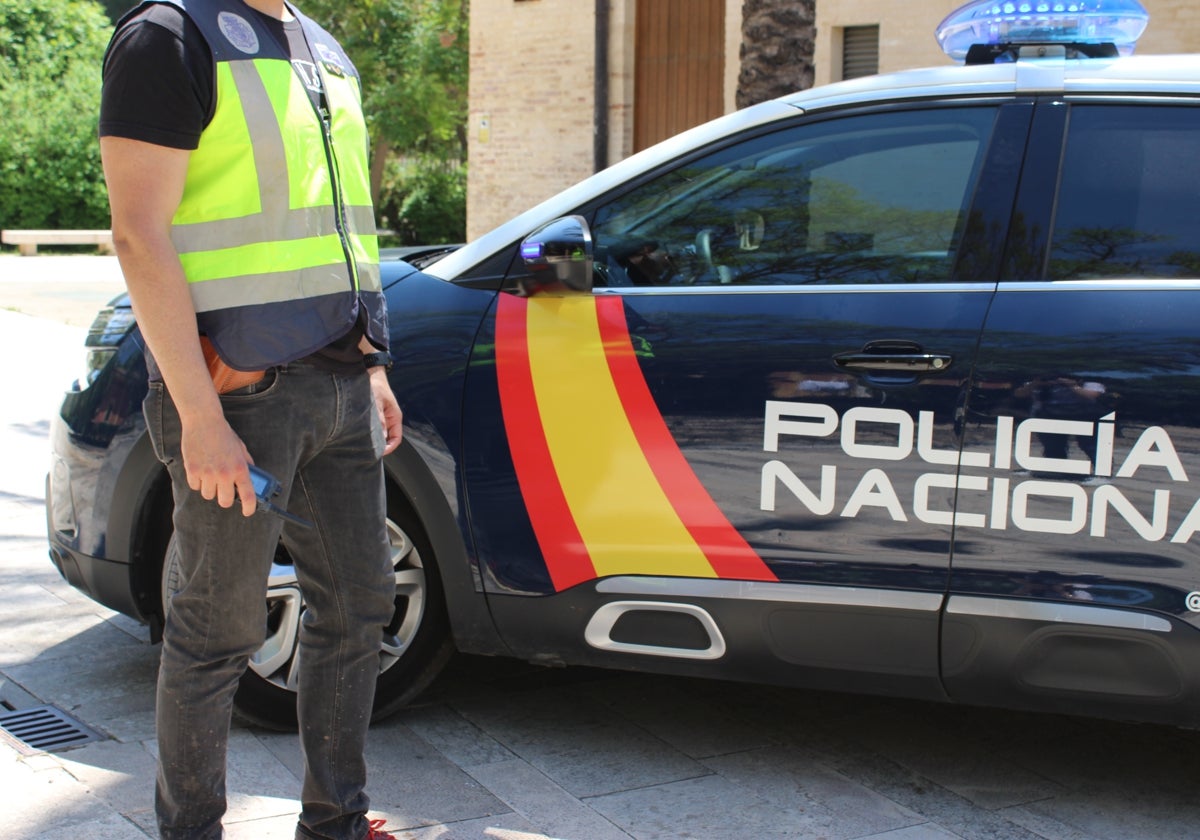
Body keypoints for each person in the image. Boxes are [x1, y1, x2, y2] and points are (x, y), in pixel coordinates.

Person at [99, 1, 402, 838]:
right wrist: (198, 412)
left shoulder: (321, 44)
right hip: (240, 397)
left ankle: (335, 823)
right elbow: (137, 231)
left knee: (358, 608)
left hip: (342, 380)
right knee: (215, 632)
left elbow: (337, 221)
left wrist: (371, 363)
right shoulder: (169, 36)